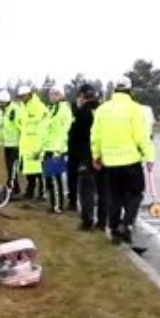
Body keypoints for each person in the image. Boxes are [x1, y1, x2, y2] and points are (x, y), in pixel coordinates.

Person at [92, 76, 156, 246]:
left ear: (114, 90)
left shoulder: (102, 109)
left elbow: (95, 136)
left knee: (114, 197)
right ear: (130, 90)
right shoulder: (135, 109)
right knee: (135, 195)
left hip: (110, 162)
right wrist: (149, 157)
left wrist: (96, 155)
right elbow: (141, 136)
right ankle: (126, 224)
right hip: (130, 160)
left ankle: (114, 231)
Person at [68, 84, 107, 231]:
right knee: (103, 189)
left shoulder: (82, 112)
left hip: (87, 154)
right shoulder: (103, 110)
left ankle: (87, 220)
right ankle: (102, 221)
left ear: (82, 97)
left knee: (86, 189)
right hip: (104, 154)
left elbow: (75, 135)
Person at [42, 87, 73, 213]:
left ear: (61, 95)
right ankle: (53, 202)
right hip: (48, 147)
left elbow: (65, 131)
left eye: (55, 94)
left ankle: (58, 205)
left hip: (57, 149)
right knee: (49, 177)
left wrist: (59, 150)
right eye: (51, 94)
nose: (52, 96)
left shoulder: (64, 109)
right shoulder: (51, 109)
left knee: (56, 178)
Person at [17, 85, 48, 200]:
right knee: (29, 170)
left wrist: (40, 146)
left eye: (23, 96)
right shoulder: (22, 107)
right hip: (26, 144)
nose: (21, 98)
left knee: (39, 170)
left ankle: (42, 192)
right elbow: (21, 124)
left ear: (29, 95)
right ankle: (30, 191)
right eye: (20, 97)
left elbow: (44, 127)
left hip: (36, 143)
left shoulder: (39, 107)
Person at [0, 89, 22, 193]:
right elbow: (0, 128)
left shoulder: (15, 110)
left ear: (6, 101)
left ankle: (11, 187)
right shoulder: (3, 112)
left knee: (13, 168)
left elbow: (21, 127)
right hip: (7, 144)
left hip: (15, 144)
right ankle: (15, 188)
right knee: (9, 167)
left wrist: (22, 142)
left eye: (1, 102)